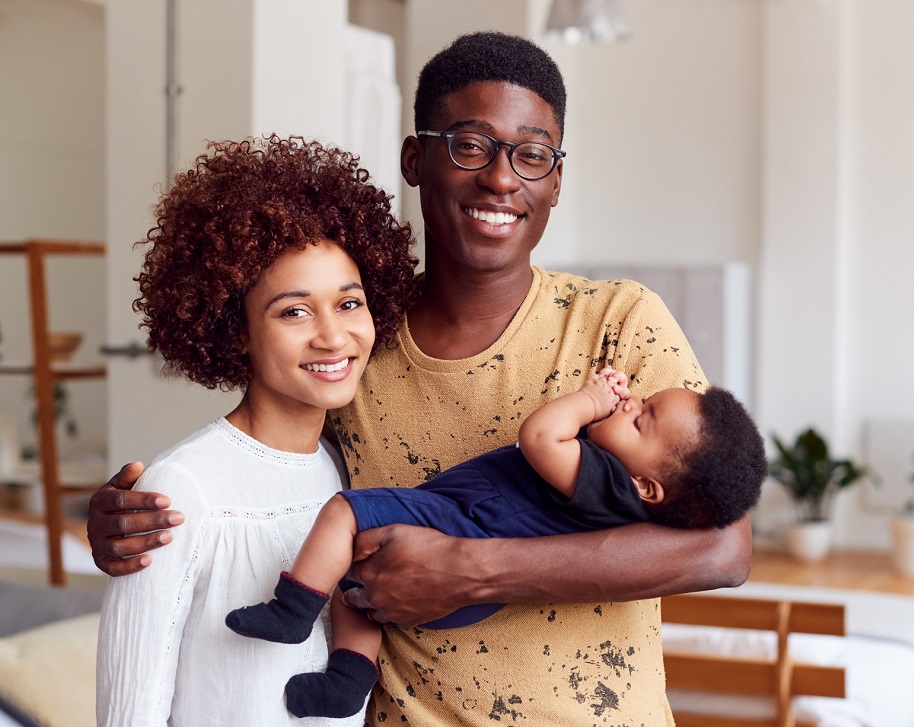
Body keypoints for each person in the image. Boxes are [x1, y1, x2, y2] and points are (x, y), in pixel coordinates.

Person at [88, 32, 755, 724]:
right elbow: (268, 468)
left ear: (556, 180)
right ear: (415, 159)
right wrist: (151, 517)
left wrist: (474, 570)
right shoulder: (358, 337)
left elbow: (723, 548)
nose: (502, 179)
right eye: (470, 145)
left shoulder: (618, 321)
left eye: (532, 155)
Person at [95, 135, 418, 726]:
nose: (333, 337)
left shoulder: (341, 467)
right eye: (294, 311)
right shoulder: (182, 488)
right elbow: (129, 709)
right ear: (236, 330)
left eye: (349, 303)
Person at [225, 368, 765, 718]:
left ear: (647, 488)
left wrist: (590, 399)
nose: (630, 403)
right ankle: (347, 683)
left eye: (642, 419)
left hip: (463, 526)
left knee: (345, 512)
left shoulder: (603, 481)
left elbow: (540, 437)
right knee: (357, 591)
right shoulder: (629, 500)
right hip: (468, 594)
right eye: (641, 400)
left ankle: (292, 609)